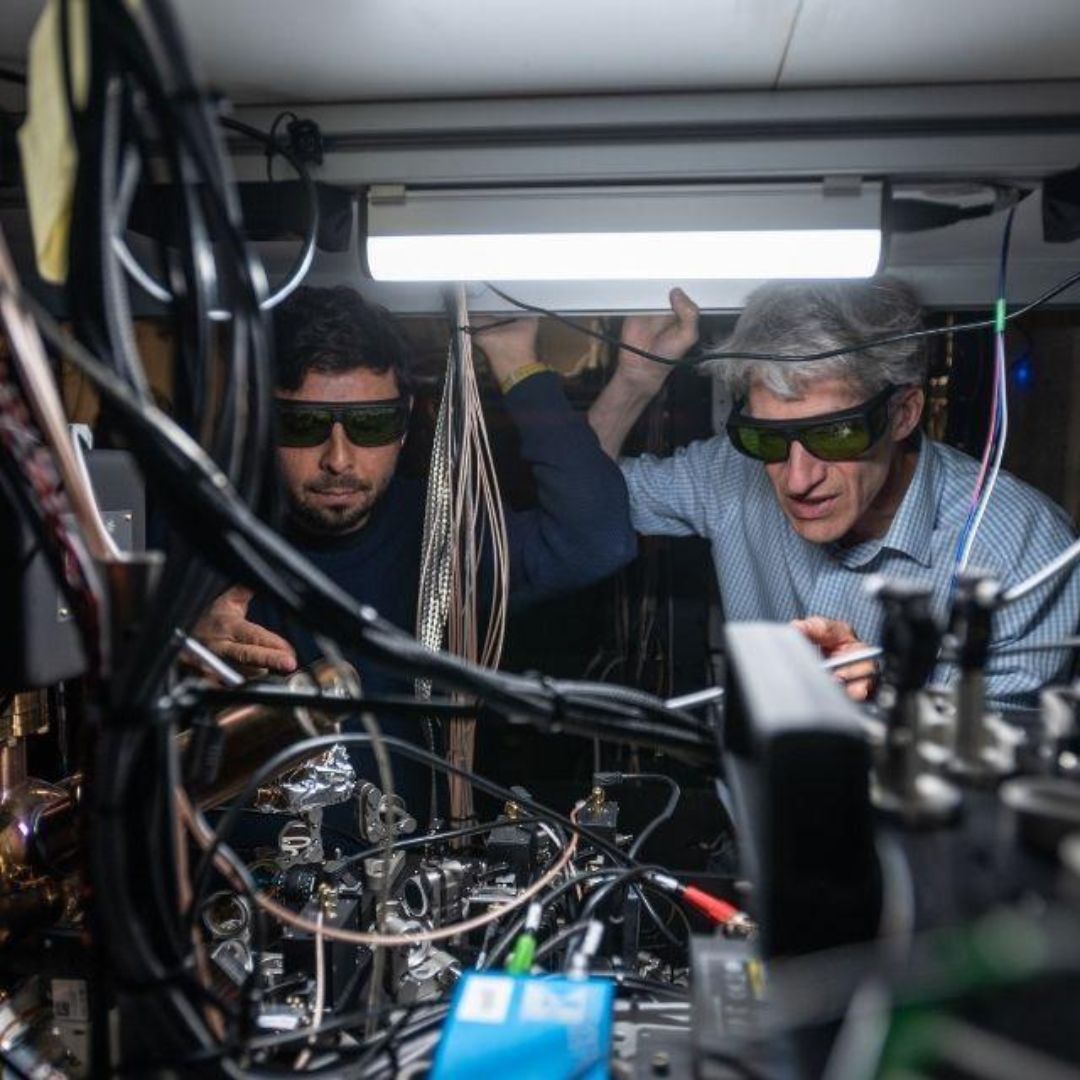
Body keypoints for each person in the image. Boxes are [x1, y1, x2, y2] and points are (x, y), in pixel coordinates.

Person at [193, 285, 636, 817]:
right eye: (304, 424)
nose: (339, 459)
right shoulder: (201, 535)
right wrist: (177, 649)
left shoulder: (441, 531)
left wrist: (515, 357)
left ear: (404, 423)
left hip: (407, 860)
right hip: (227, 861)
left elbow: (597, 539)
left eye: (371, 423)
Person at [588, 278, 1079, 709]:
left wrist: (885, 692)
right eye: (767, 438)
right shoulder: (730, 472)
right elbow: (579, 498)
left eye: (836, 434)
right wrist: (634, 382)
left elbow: (994, 766)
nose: (798, 480)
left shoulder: (1025, 551)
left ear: (904, 414)